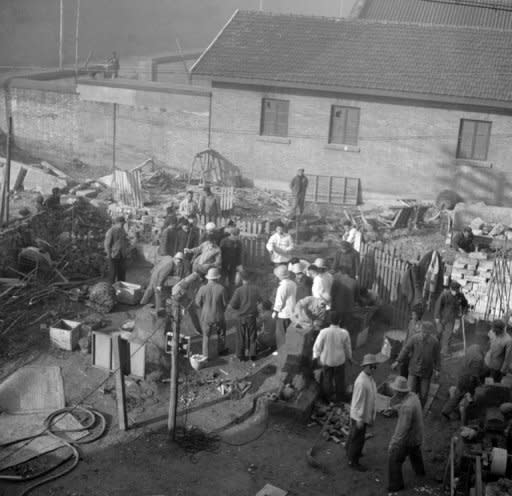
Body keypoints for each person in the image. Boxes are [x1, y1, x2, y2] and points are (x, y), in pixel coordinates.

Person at [387, 376, 425, 493]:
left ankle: (396, 485)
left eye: (394, 390)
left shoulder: (406, 408)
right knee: (415, 452)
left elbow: (401, 431)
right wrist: (396, 408)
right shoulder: (413, 396)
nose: (393, 392)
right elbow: (407, 407)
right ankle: (420, 472)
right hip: (418, 435)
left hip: (409, 438)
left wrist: (393, 444)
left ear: (398, 392)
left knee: (394, 458)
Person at [392, 322, 440, 407]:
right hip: (414, 369)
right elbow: (405, 350)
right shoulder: (414, 339)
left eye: (427, 333)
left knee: (424, 394)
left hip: (426, 371)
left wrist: (437, 369)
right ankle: (408, 408)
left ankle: (419, 410)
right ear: (421, 331)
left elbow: (437, 357)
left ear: (430, 333)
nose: (425, 334)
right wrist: (398, 361)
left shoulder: (434, 342)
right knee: (410, 391)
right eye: (423, 332)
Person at [346, 353, 378, 472]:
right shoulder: (361, 382)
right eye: (374, 367)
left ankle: (348, 452)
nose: (375, 369)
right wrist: (359, 418)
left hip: (362, 415)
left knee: (353, 436)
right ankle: (353, 461)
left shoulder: (368, 378)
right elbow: (358, 402)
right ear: (368, 366)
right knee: (358, 439)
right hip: (359, 416)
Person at [312, 311, 352, 402]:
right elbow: (348, 348)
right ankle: (339, 398)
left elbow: (317, 346)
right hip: (339, 361)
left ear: (329, 321)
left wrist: (316, 357)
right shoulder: (344, 333)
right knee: (340, 379)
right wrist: (349, 358)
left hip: (327, 361)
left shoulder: (323, 332)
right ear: (340, 320)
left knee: (327, 379)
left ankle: (327, 398)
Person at [441, 341, 486, 419]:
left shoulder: (470, 351)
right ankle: (465, 415)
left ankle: (447, 410)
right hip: (468, 380)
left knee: (458, 394)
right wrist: (480, 384)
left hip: (462, 376)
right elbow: (474, 375)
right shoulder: (478, 358)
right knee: (466, 396)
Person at [195, 267, 229, 360]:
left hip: (206, 316)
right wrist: (221, 311)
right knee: (221, 333)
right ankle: (221, 350)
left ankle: (205, 355)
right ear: (217, 278)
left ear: (208, 278)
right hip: (219, 315)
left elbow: (197, 303)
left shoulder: (202, 289)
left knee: (206, 336)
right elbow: (225, 304)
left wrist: (204, 307)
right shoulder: (222, 289)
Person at [228, 270, 261, 361]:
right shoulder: (256, 289)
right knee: (252, 336)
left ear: (242, 279)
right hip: (251, 316)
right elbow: (260, 300)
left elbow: (233, 305)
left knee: (240, 336)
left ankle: (240, 355)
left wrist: (239, 307)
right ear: (250, 278)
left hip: (241, 317)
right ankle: (253, 354)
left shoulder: (238, 290)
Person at [434, 280, 468, 355]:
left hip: (451, 318)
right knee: (438, 333)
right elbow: (438, 306)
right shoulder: (444, 295)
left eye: (457, 290)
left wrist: (464, 312)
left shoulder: (460, 296)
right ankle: (433, 348)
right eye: (454, 290)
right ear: (450, 289)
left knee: (448, 335)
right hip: (442, 317)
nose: (456, 292)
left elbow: (465, 304)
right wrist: (437, 317)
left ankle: (444, 351)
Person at [272, 265, 297, 351]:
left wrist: (275, 312)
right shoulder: (293, 283)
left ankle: (282, 352)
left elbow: (279, 302)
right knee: (290, 335)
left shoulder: (282, 287)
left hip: (283, 314)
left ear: (279, 276)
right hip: (292, 312)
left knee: (281, 335)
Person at [398, 303, 425, 378]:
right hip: (407, 350)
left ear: (418, 315)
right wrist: (403, 349)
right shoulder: (411, 322)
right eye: (412, 314)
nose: (412, 316)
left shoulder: (422, 326)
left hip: (415, 354)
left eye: (414, 314)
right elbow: (407, 336)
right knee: (403, 370)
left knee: (412, 374)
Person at [104, 216, 129, 284]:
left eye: (124, 224)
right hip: (113, 256)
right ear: (117, 223)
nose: (123, 225)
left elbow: (124, 240)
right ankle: (111, 289)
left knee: (122, 274)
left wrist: (128, 242)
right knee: (113, 274)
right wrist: (109, 255)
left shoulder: (122, 230)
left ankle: (121, 289)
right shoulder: (111, 231)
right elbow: (107, 244)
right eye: (122, 223)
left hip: (122, 255)